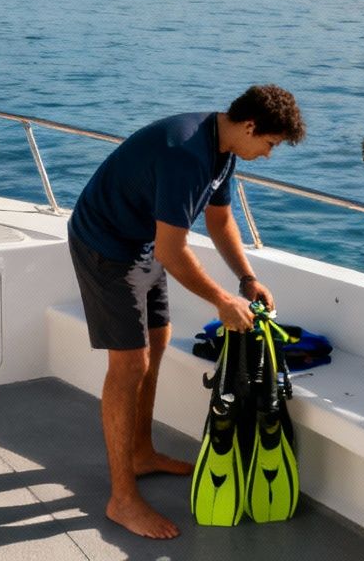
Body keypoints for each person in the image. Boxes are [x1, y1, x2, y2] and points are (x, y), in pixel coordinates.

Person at [67, 85, 306, 540]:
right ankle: (122, 499)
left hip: (141, 245)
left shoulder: (223, 148)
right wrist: (221, 300)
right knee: (128, 364)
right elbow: (173, 251)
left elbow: (220, 220)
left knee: (157, 343)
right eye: (270, 144)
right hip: (106, 247)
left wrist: (247, 278)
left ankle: (141, 452)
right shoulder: (186, 153)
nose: (269, 154)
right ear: (251, 127)